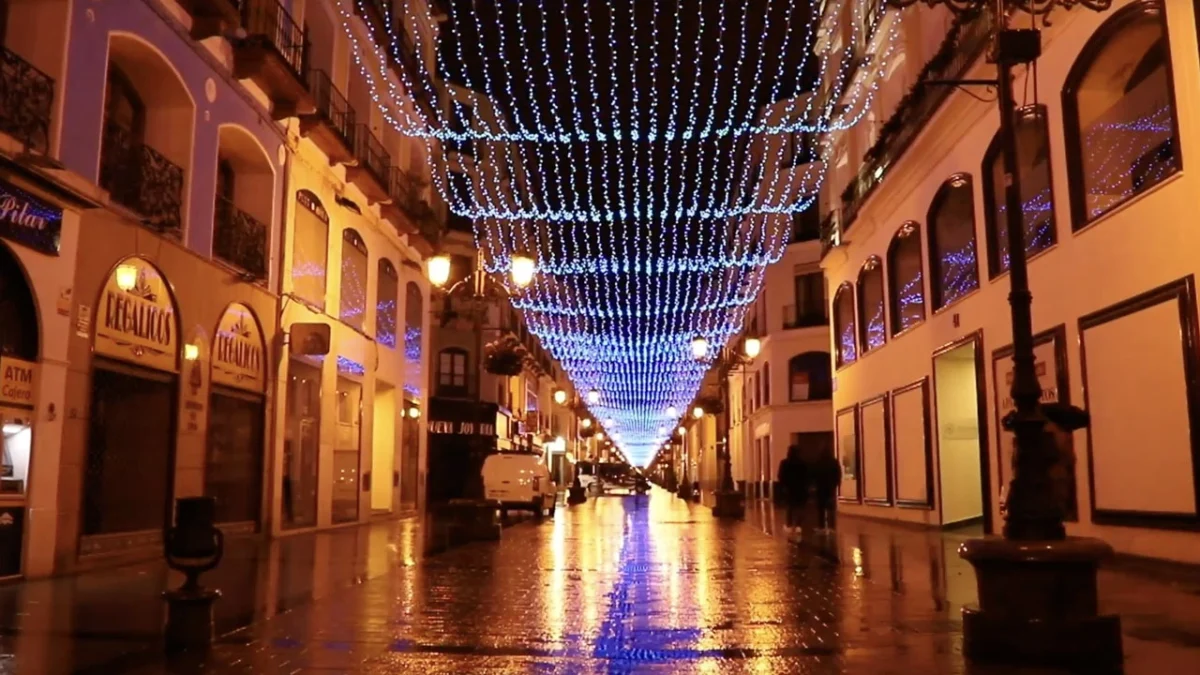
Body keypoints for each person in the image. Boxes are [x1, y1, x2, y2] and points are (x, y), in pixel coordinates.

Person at [779, 446, 808, 533]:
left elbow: (780, 475)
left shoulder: (784, 463)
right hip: (801, 488)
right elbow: (807, 475)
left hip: (789, 488)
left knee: (790, 507)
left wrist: (784, 485)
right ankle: (799, 525)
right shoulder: (802, 463)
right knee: (800, 508)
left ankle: (789, 525)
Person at [814, 445, 841, 532]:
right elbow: (838, 474)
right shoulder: (834, 462)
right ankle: (832, 526)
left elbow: (815, 475)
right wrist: (836, 484)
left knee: (821, 508)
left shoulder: (818, 462)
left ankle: (821, 526)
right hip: (831, 486)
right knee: (831, 508)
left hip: (821, 487)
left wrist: (814, 485)